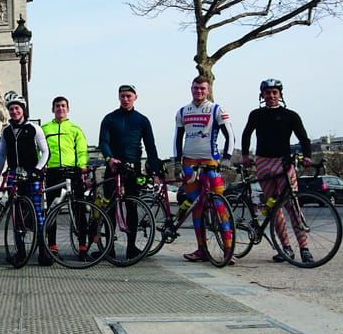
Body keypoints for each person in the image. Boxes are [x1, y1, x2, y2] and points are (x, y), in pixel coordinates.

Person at [241, 78, 314, 263]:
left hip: (284, 162)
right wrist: (245, 156)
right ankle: (286, 248)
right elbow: (246, 134)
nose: (271, 96)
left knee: (292, 205)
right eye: (267, 93)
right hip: (264, 162)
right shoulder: (256, 114)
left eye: (275, 92)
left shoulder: (291, 115)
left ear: (280, 94)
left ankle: (304, 248)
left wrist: (307, 156)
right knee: (274, 208)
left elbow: (304, 138)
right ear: (262, 95)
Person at [173, 76, 234, 263]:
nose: (198, 91)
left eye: (202, 88)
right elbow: (177, 138)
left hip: (211, 163)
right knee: (196, 208)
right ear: (191, 89)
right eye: (195, 88)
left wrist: (227, 158)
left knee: (219, 206)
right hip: (189, 163)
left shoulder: (217, 109)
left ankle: (228, 250)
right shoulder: (183, 111)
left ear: (208, 90)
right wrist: (177, 162)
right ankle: (201, 249)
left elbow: (230, 135)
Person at [98, 84, 161, 260]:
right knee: (108, 209)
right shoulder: (109, 119)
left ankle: (131, 248)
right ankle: (108, 248)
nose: (125, 99)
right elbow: (103, 142)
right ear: (118, 97)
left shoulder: (142, 120)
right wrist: (109, 158)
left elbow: (151, 147)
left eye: (128, 96)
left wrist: (156, 172)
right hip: (113, 167)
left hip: (132, 169)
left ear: (135, 97)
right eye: (122, 96)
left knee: (132, 207)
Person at [0, 92, 49, 265]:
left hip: (32, 174)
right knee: (16, 214)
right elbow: (2, 155)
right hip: (13, 172)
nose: (14, 111)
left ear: (23, 110)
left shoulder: (34, 128)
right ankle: (21, 250)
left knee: (38, 213)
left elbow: (46, 151)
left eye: (17, 108)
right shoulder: (7, 131)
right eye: (11, 109)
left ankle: (43, 250)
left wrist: (37, 170)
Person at [41, 96, 89, 261]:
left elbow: (82, 149)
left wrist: (82, 165)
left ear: (68, 109)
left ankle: (83, 247)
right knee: (52, 211)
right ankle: (53, 247)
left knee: (79, 210)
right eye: (57, 106)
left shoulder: (75, 129)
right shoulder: (45, 128)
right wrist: (41, 165)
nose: (60, 108)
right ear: (52, 109)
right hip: (53, 172)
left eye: (63, 106)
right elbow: (38, 149)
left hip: (73, 172)